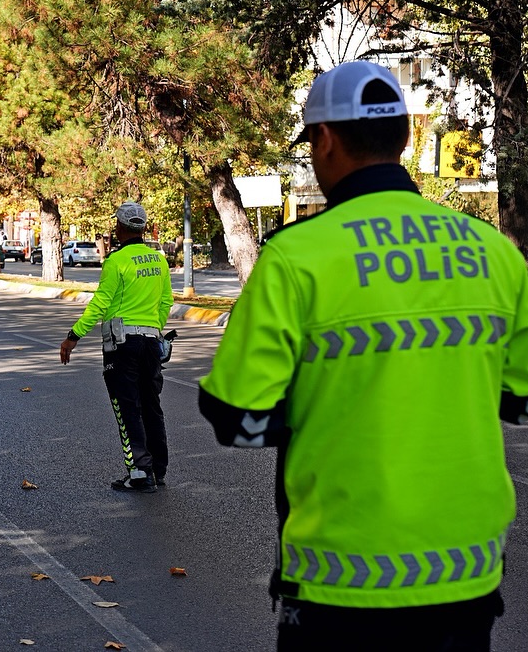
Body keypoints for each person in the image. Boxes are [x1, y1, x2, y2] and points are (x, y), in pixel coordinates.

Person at [198, 60, 528, 650]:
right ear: (403, 136)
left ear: (324, 139)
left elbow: (237, 419)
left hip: (341, 580)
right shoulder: (495, 254)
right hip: (467, 571)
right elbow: (521, 404)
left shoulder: (297, 257)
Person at [60, 201, 175, 493]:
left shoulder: (117, 261)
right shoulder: (158, 260)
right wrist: (153, 330)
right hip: (151, 342)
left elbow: (101, 302)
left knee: (127, 408)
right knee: (151, 405)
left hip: (122, 345)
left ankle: (139, 473)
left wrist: (75, 335)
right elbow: (165, 303)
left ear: (120, 228)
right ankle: (157, 470)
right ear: (144, 227)